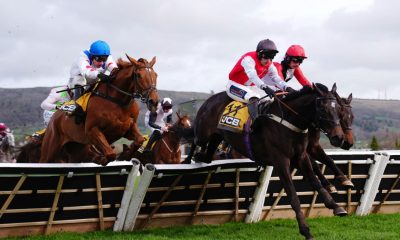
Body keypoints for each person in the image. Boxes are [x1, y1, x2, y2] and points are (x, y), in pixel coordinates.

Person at [227, 39, 294, 129]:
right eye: (266, 57)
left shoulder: (269, 63)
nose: (268, 60)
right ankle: (255, 125)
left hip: (250, 87)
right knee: (254, 98)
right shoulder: (248, 59)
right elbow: (253, 76)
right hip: (234, 85)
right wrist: (265, 87)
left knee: (271, 99)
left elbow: (276, 78)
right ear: (259, 54)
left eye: (271, 58)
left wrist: (287, 87)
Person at [68, 40, 117, 122]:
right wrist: (100, 75)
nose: (101, 62)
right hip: (78, 78)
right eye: (99, 59)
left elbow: (114, 68)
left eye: (104, 59)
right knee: (79, 80)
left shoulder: (107, 57)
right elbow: (86, 71)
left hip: (94, 78)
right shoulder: (83, 56)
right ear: (91, 56)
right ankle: (78, 109)